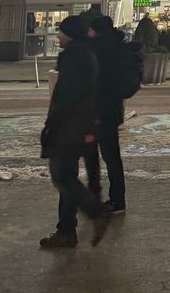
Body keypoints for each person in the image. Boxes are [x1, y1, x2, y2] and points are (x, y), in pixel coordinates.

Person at [39, 15, 106, 250]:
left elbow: (67, 97)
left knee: (63, 177)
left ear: (71, 34)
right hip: (79, 126)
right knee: (66, 178)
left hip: (69, 127)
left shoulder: (75, 56)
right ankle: (66, 231)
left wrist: (51, 126)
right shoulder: (85, 54)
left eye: (61, 32)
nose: (57, 36)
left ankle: (94, 213)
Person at [83, 15, 128, 214]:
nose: (88, 32)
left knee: (92, 157)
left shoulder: (96, 50)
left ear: (96, 30)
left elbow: (93, 82)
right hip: (111, 111)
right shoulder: (118, 47)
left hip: (96, 111)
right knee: (112, 157)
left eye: (91, 29)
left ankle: (96, 198)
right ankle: (117, 198)